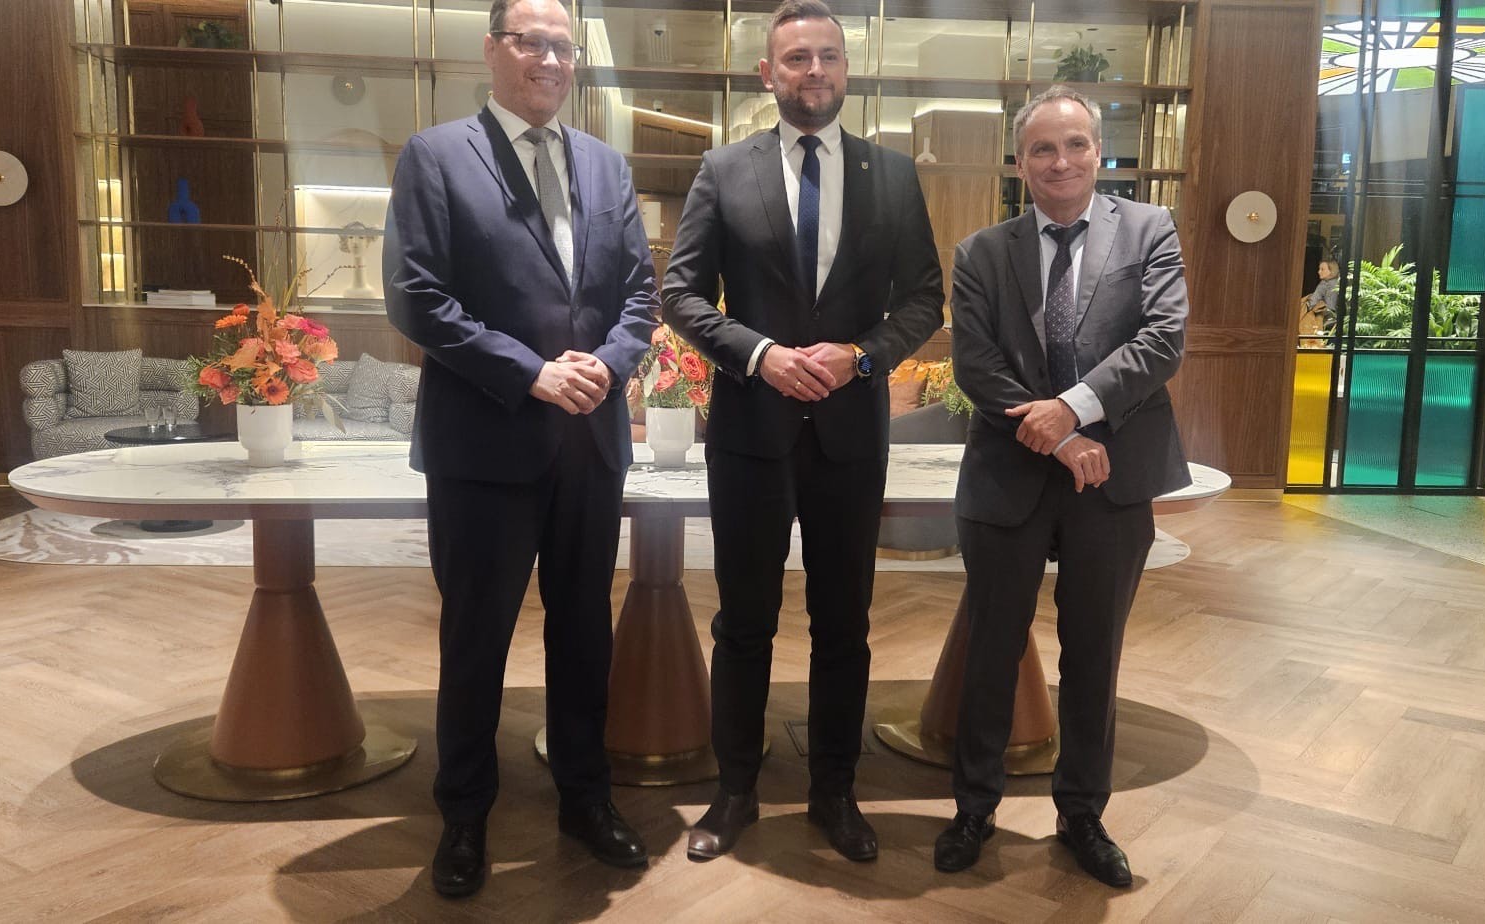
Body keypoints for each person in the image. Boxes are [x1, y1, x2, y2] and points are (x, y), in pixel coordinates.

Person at [381, 0, 658, 898]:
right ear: (492, 50)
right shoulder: (436, 156)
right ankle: (464, 816)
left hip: (590, 443)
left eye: (563, 46)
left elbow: (640, 295)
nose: (549, 59)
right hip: (484, 447)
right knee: (476, 641)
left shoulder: (607, 166)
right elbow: (415, 296)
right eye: (530, 41)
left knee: (584, 636)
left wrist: (609, 365)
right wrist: (531, 372)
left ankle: (586, 798)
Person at [659, 0, 944, 864]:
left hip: (850, 437)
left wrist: (862, 356)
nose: (813, 71)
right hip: (750, 433)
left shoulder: (893, 175)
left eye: (827, 56)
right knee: (744, 622)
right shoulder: (722, 169)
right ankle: (735, 791)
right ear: (768, 73)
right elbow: (679, 294)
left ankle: (834, 792)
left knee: (844, 625)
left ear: (846, 70)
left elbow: (924, 299)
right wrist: (759, 355)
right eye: (796, 58)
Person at [930, 86, 1191, 888]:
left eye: (1076, 144)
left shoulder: (1149, 229)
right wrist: (1061, 437)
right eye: (1042, 148)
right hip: (1008, 479)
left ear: (1099, 152)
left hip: (1112, 481)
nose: (1061, 161)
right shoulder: (982, 251)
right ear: (1020, 163)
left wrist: (1073, 410)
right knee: (990, 650)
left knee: (1094, 653)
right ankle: (974, 808)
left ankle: (1082, 814)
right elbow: (976, 365)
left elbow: (1162, 340)